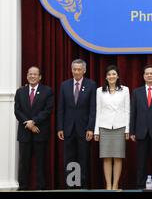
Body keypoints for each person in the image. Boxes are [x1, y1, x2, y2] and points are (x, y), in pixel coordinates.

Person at [57, 59, 97, 188]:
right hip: (68, 129)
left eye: (79, 69)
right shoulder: (65, 85)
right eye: (74, 69)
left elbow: (93, 109)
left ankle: (82, 186)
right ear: (71, 70)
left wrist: (90, 128)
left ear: (84, 70)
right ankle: (70, 186)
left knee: (83, 158)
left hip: (84, 129)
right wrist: (60, 128)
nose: (76, 72)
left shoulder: (91, 85)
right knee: (69, 159)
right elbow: (61, 108)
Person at [14, 66, 53, 190]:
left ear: (40, 77)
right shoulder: (20, 92)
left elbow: (47, 111)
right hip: (25, 132)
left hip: (40, 132)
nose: (32, 76)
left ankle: (40, 187)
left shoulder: (47, 91)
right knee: (23, 163)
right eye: (30, 74)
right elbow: (17, 111)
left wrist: (34, 121)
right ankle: (23, 187)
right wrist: (29, 124)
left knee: (40, 162)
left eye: (35, 74)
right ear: (27, 76)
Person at [94, 65, 130, 190]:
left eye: (114, 74)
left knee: (118, 157)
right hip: (104, 127)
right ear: (105, 77)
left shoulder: (125, 90)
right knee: (107, 157)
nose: (111, 76)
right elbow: (98, 111)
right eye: (109, 74)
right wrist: (96, 131)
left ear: (118, 76)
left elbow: (127, 111)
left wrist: (127, 129)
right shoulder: (99, 90)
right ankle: (108, 186)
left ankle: (115, 186)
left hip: (120, 127)